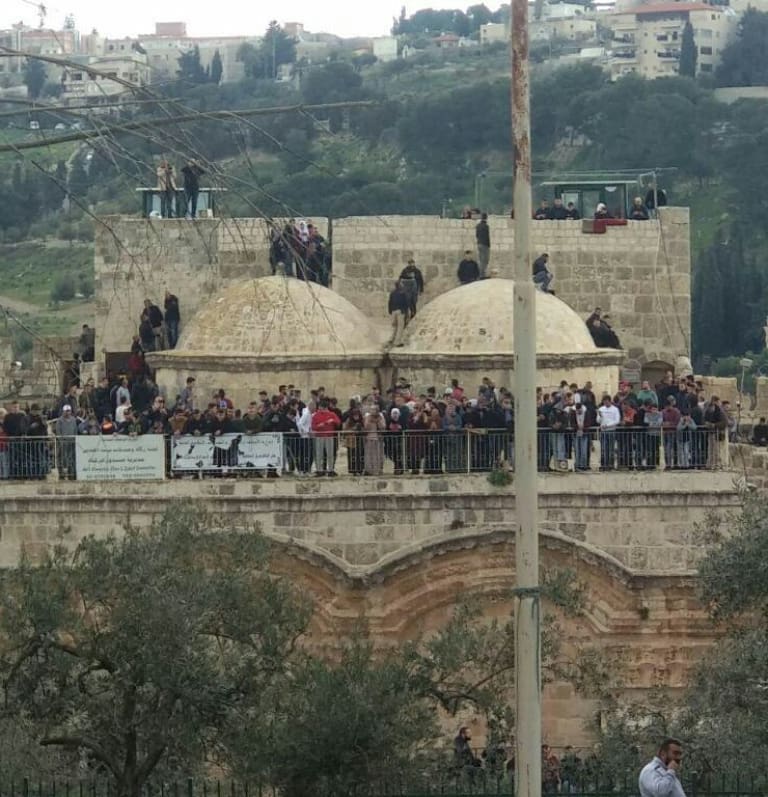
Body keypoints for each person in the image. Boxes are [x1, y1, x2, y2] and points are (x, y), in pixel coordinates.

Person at [388, 280, 409, 348]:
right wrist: (406, 313)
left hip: (393, 311)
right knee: (400, 327)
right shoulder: (403, 293)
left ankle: (391, 339)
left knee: (394, 326)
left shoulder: (392, 293)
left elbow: (390, 302)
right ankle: (397, 342)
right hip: (400, 311)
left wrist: (390, 311)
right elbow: (405, 304)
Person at [475, 212, 491, 278]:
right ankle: (482, 274)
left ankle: (481, 273)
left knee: (481, 259)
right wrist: (489, 245)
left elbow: (477, 235)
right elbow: (487, 237)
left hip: (479, 243)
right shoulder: (486, 226)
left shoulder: (478, 226)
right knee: (485, 260)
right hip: (485, 244)